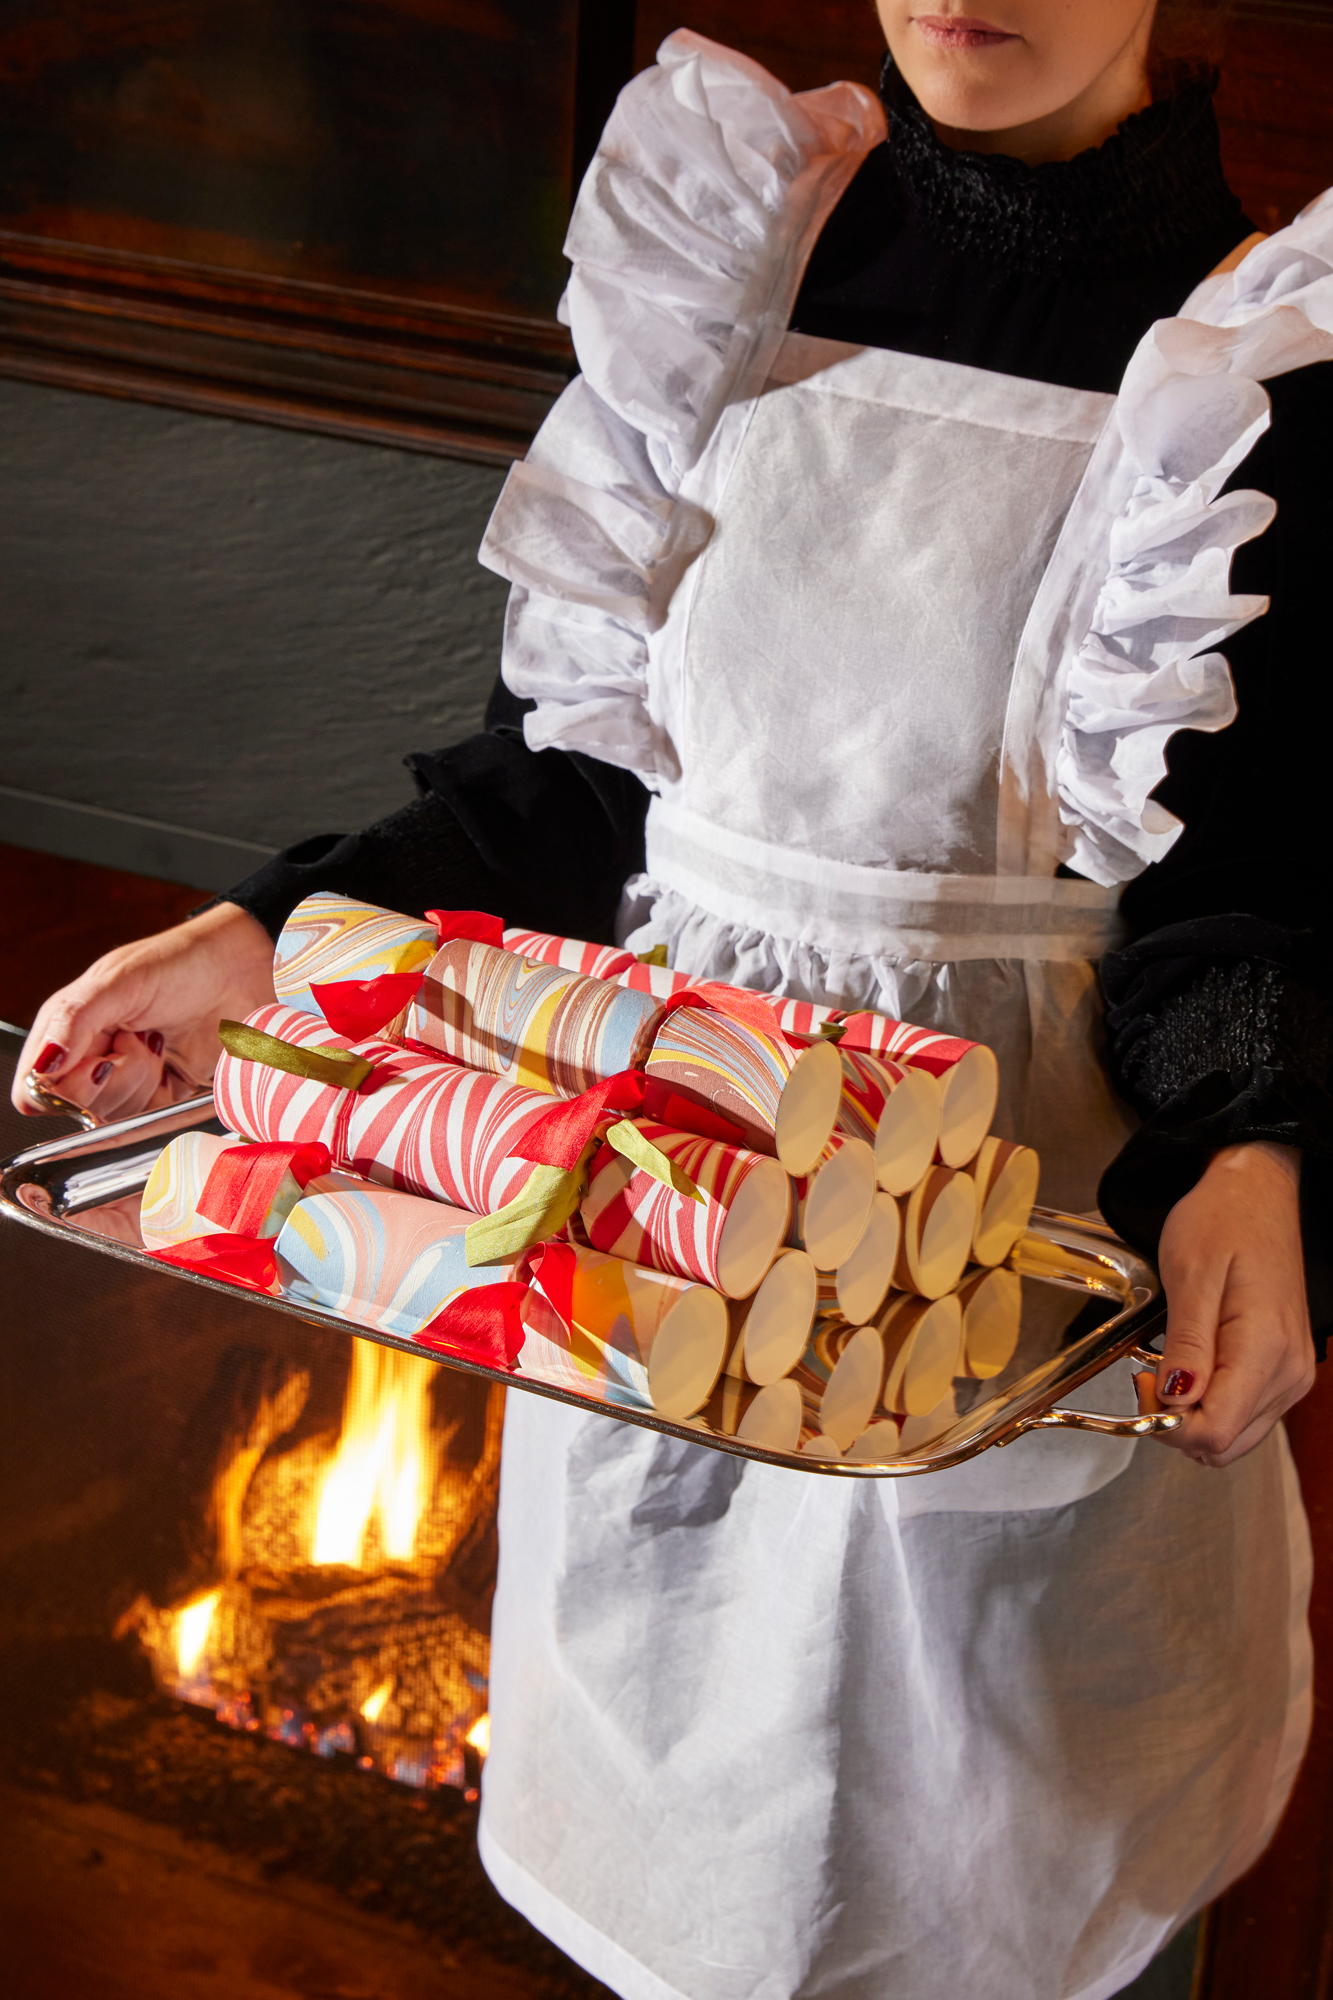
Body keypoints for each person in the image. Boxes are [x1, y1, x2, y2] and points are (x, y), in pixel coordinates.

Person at [14, 1, 1333, 1991]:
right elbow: (567, 788)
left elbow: (1247, 885)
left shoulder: (1262, 356)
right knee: (682, 1875)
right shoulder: (734, 251)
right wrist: (268, 934)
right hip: (671, 1218)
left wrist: (1251, 1151)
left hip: (990, 1271)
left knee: (1015, 1876)